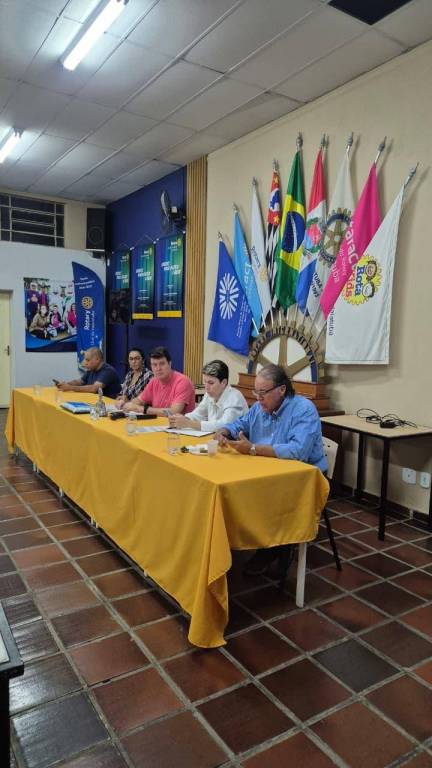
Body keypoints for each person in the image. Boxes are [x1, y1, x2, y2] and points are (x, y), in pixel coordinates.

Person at [216, 364, 327, 576]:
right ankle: (241, 537)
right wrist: (224, 431)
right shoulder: (259, 407)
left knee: (262, 495)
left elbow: (298, 451)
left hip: (302, 477)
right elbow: (239, 424)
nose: (258, 398)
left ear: (282, 389)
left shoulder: (303, 409)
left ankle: (278, 545)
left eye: (263, 392)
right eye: (256, 392)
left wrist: (253, 449)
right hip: (266, 471)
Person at [168, 360, 248, 432]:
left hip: (235, 441)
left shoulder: (234, 398)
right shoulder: (209, 394)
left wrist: (188, 423)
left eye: (211, 383)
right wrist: (182, 419)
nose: (206, 387)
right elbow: (198, 414)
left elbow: (225, 426)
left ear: (223, 382)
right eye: (205, 382)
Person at [123, 346, 195, 416]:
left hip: (178, 424)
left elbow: (173, 412)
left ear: (170, 364)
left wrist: (142, 409)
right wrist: (127, 404)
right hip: (158, 423)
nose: (158, 368)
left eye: (162, 364)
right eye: (154, 365)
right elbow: (139, 400)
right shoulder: (154, 381)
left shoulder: (183, 382)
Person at [56, 347, 121, 398]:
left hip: (109, 405)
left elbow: (94, 388)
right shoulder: (91, 369)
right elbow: (79, 382)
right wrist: (65, 384)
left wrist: (70, 387)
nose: (85, 363)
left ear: (97, 359)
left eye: (87, 360)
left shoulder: (108, 371)